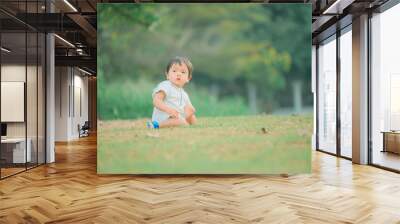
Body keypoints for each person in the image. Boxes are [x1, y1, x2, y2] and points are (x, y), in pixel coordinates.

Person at [147, 56, 197, 128]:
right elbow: (156, 101)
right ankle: (156, 125)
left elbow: (189, 108)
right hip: (163, 118)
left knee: (192, 118)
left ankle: (191, 127)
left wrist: (190, 111)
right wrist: (168, 110)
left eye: (183, 72)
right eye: (174, 71)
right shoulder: (166, 86)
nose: (178, 74)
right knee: (180, 121)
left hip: (176, 117)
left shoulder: (183, 94)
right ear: (167, 75)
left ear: (188, 78)